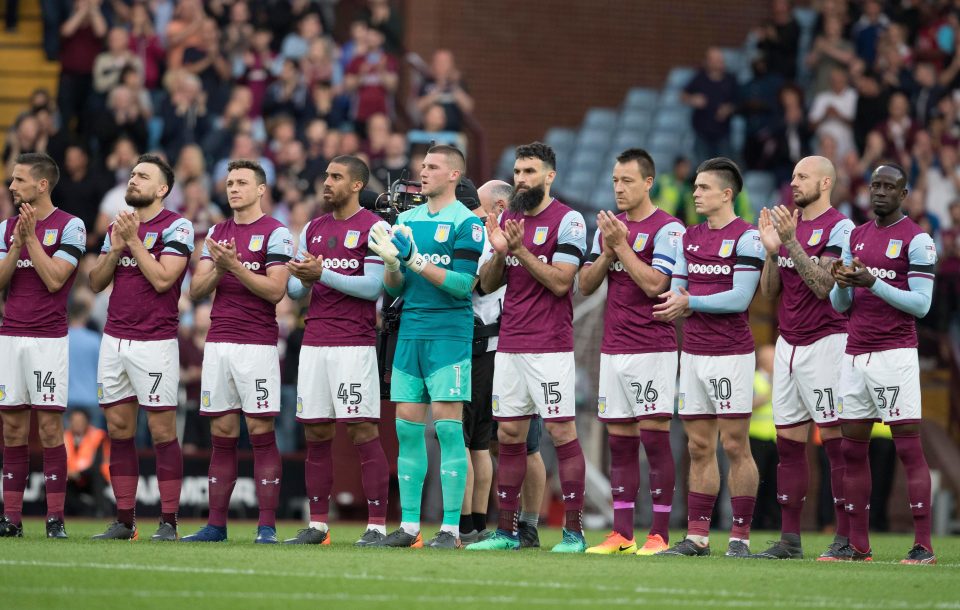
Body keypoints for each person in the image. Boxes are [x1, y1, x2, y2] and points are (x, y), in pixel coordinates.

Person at [471, 142, 588, 553]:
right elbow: (486, 284)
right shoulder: (510, 218)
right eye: (518, 171)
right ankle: (506, 533)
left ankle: (573, 532)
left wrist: (519, 249)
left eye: (530, 172)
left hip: (549, 346)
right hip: (511, 343)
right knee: (508, 434)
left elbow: (561, 282)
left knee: (560, 431)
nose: (521, 179)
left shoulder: (569, 221)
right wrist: (502, 254)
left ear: (549, 176)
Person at [366, 144, 484, 549]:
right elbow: (393, 288)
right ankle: (410, 528)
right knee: (406, 430)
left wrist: (414, 260)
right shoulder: (406, 220)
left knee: (450, 431)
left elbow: (463, 285)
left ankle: (451, 530)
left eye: (433, 167)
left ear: (454, 174)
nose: (424, 172)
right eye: (423, 166)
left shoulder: (468, 224)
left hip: (449, 334)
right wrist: (394, 265)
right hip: (410, 330)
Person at [652, 157, 763, 557]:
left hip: (731, 353)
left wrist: (688, 302)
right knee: (699, 446)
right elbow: (678, 288)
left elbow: (740, 298)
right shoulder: (689, 237)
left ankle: (739, 536)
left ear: (726, 193)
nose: (694, 193)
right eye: (695, 187)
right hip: (693, 353)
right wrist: (676, 302)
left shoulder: (748, 238)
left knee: (735, 446)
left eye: (702, 187)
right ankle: (698, 536)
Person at [827, 163, 937, 564]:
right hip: (855, 354)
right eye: (875, 185)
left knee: (909, 450)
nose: (880, 192)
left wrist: (874, 282)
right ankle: (858, 545)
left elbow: (922, 305)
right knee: (851, 451)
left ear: (903, 194)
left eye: (889, 186)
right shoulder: (855, 236)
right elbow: (840, 305)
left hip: (895, 355)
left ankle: (923, 544)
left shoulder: (918, 240)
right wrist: (841, 284)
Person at [578, 148, 684, 556]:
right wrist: (607, 250)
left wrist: (621, 248)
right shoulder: (609, 228)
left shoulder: (668, 229)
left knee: (655, 442)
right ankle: (621, 534)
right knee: (619, 441)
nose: (619, 188)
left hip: (652, 347)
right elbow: (586, 285)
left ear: (648, 182)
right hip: (613, 347)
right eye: (615, 181)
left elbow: (656, 284)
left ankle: (658, 533)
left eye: (627, 181)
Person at [181, 159, 294, 544]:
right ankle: (216, 525)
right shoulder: (216, 231)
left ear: (261, 189)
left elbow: (276, 291)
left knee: (260, 430)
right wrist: (220, 268)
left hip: (257, 344)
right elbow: (195, 291)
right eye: (229, 182)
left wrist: (234, 267)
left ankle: (266, 526)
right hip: (218, 343)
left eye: (242, 182)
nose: (233, 188)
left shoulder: (276, 233)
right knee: (222, 433)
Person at [750, 156, 855, 560]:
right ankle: (790, 539)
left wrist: (791, 242)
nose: (793, 182)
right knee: (789, 444)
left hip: (827, 343)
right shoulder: (789, 224)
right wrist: (772, 251)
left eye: (802, 176)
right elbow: (770, 292)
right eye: (792, 175)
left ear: (825, 182)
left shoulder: (839, 227)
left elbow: (825, 286)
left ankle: (845, 537)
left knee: (834, 444)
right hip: (789, 344)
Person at [283, 156, 391, 546]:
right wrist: (301, 277)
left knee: (362, 430)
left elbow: (374, 287)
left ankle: (376, 525)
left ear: (357, 184)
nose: (326, 183)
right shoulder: (312, 227)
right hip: (314, 342)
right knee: (316, 432)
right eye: (326, 176)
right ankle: (318, 526)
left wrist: (322, 273)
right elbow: (295, 292)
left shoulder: (375, 227)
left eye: (336, 177)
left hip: (354, 344)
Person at [86, 154, 194, 541]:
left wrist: (133, 242)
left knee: (162, 430)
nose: (133, 180)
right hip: (114, 338)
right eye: (132, 174)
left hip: (155, 340)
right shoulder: (118, 225)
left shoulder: (178, 226)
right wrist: (116, 247)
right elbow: (95, 283)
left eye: (143, 176)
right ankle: (125, 521)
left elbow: (165, 279)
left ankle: (168, 521)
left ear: (162, 189)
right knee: (119, 429)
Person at [0, 153, 87, 539]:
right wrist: (18, 243)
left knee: (50, 428)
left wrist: (31, 239)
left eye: (18, 180)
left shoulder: (71, 227)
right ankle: (12, 518)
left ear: (41, 185)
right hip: (10, 336)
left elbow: (55, 280)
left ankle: (55, 519)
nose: (11, 186)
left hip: (48, 339)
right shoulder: (5, 229)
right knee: (12, 428)